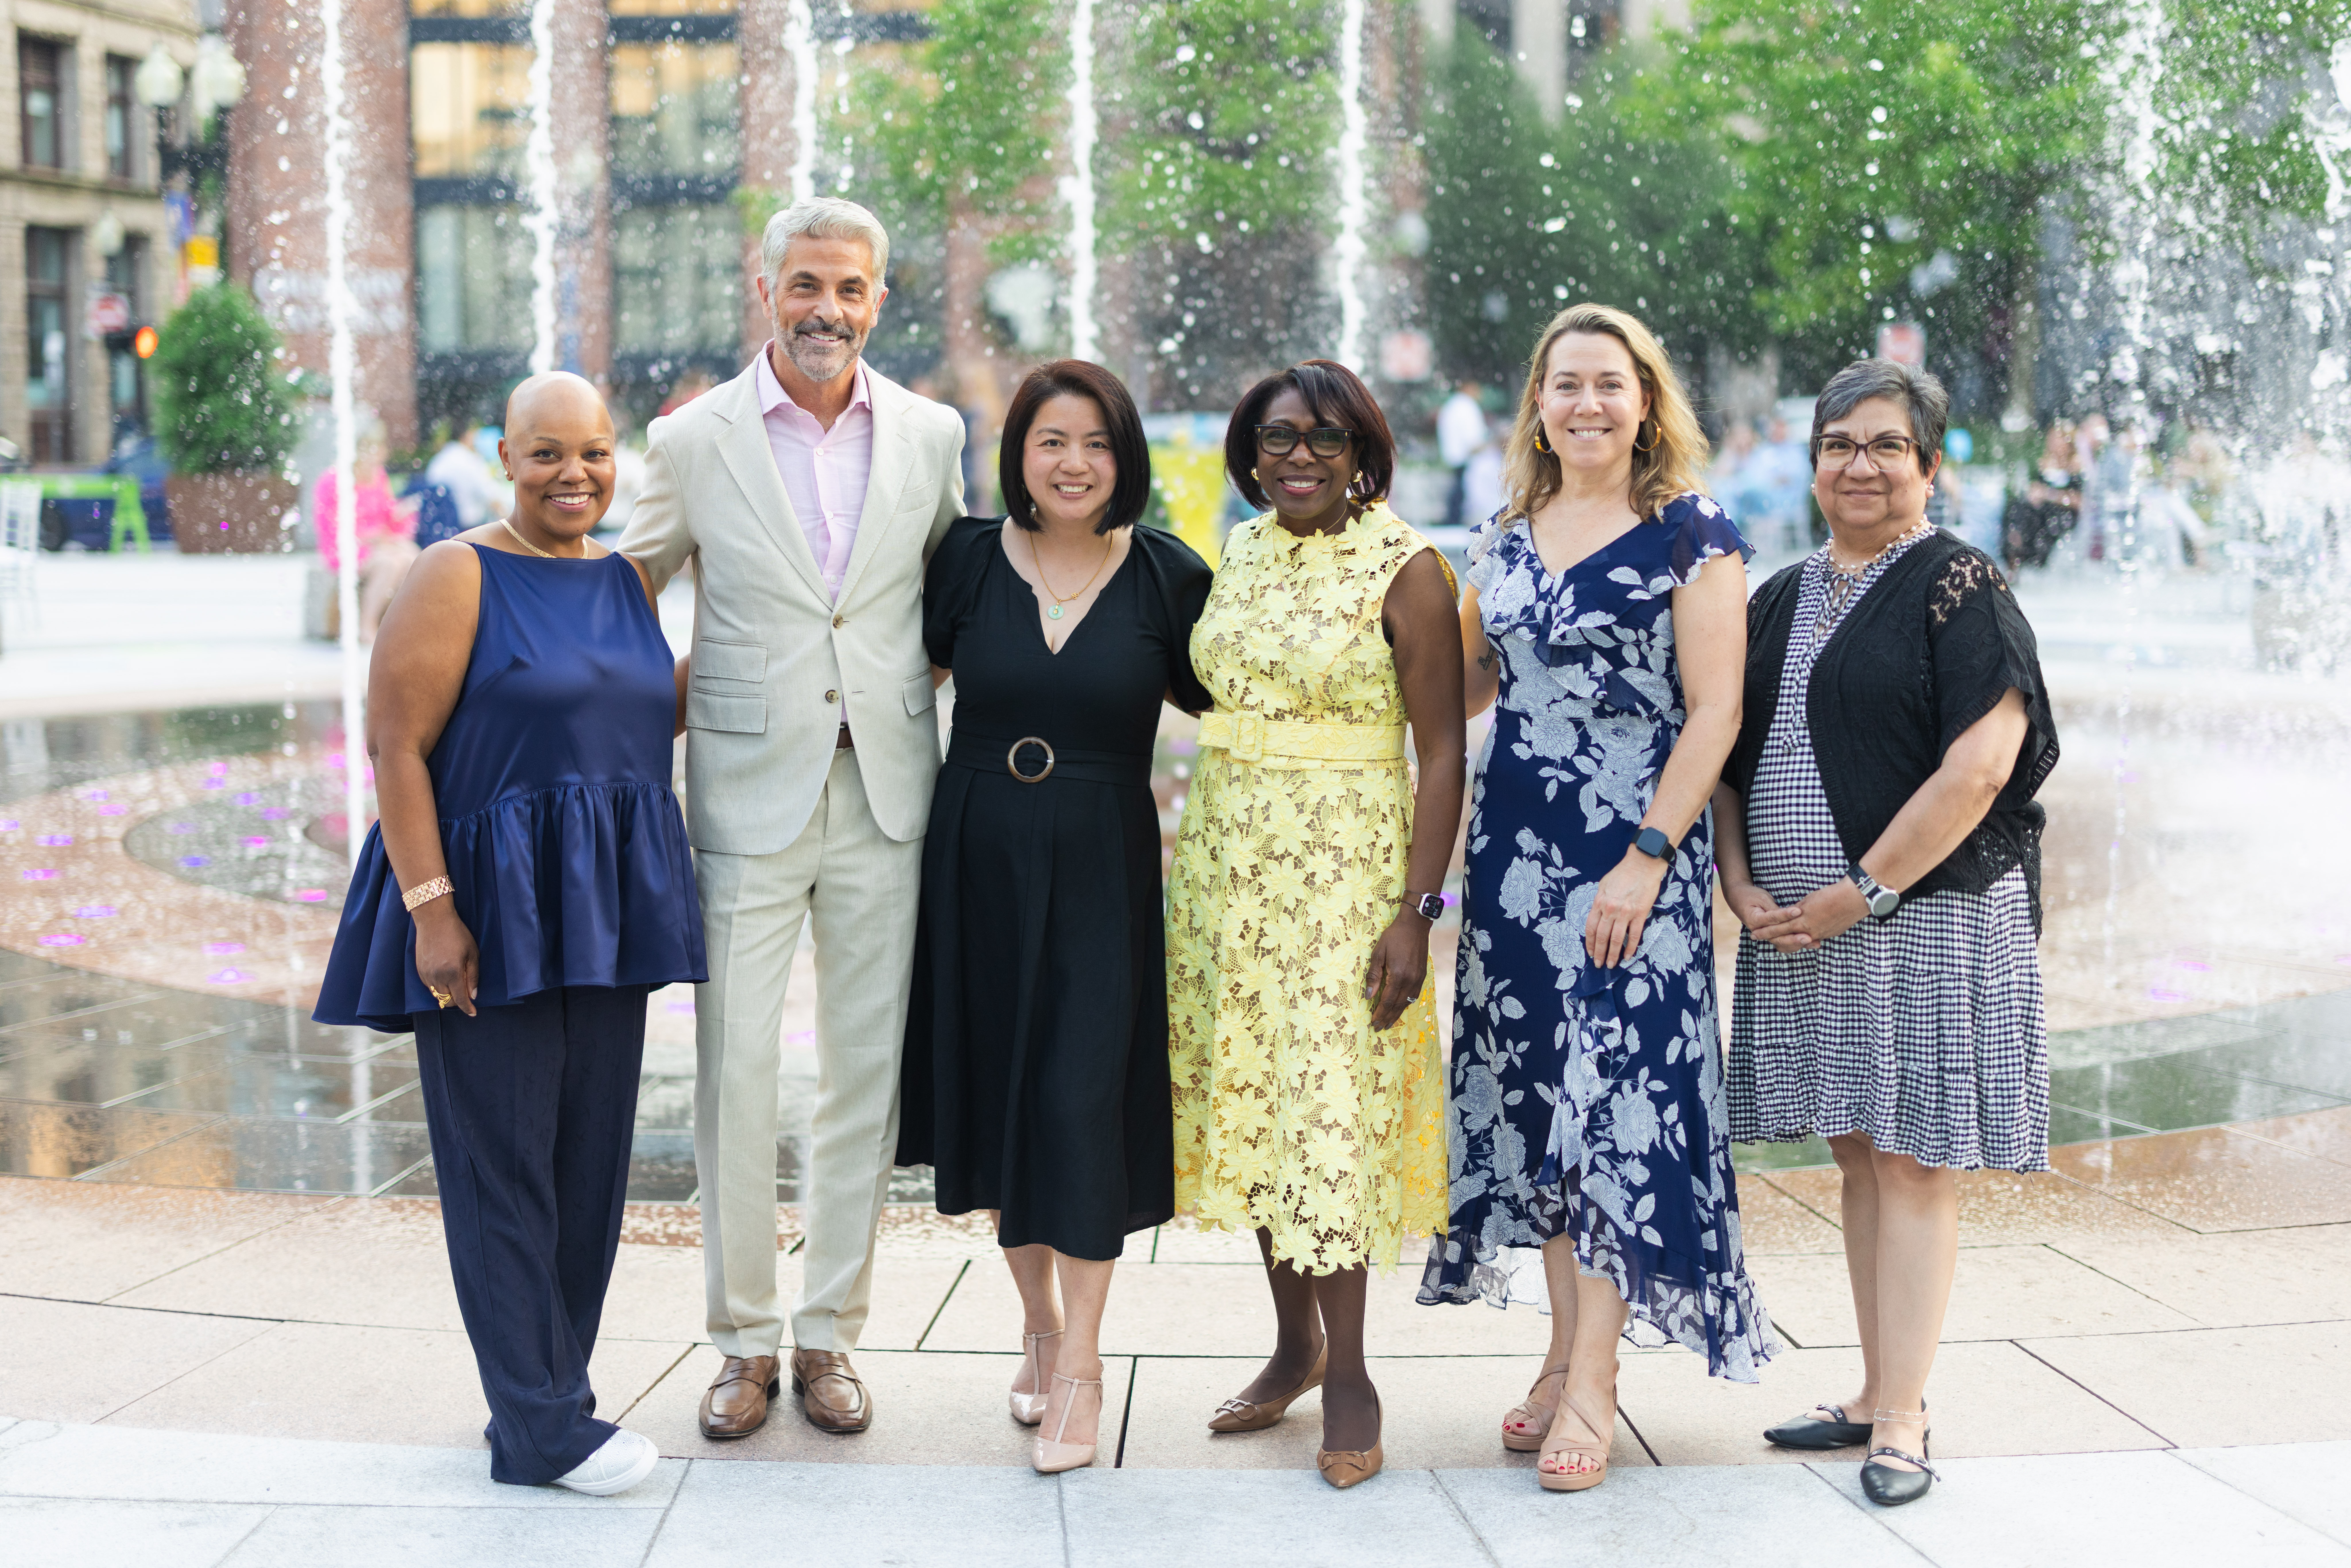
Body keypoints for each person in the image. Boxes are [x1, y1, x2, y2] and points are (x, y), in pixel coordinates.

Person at [313, 372, 705, 1496]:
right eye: (545, 454)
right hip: (490, 903)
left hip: (606, 907)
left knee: (589, 1167)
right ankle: (537, 1427)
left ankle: (545, 1399)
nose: (573, 474)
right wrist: (434, 912)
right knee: (503, 1166)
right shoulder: (456, 570)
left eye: (592, 453)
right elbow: (396, 746)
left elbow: (632, 704)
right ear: (504, 454)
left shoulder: (627, 579)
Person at [618, 196, 966, 1440]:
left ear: (881, 298)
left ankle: (827, 1337)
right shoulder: (692, 439)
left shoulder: (933, 435)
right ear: (766, 290)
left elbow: (946, 598)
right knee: (736, 1074)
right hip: (745, 796)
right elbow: (626, 593)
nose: (828, 309)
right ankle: (739, 1341)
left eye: (851, 289)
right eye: (806, 285)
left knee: (862, 1076)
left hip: (886, 792)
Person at [1417, 304, 1775, 1494]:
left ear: (1643, 401)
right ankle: (1562, 1348)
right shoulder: (1506, 531)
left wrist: (1644, 856)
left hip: (1631, 861)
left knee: (1615, 1104)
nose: (1584, 405)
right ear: (1536, 401)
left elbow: (1714, 711)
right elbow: (1467, 686)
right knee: (1539, 1113)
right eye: (1563, 384)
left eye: (1606, 385)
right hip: (1513, 860)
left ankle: (1594, 1381)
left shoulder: (1689, 531)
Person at [1714, 359, 2059, 1508]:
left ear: (1927, 464)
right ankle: (1869, 1388)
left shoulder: (1958, 584)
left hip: (1924, 915)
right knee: (1856, 1146)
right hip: (1802, 928)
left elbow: (1981, 765)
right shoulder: (1775, 595)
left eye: (1884, 446)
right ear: (1809, 460)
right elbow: (1725, 755)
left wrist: (1863, 888)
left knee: (1910, 1156)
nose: (1858, 466)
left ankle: (1904, 1412)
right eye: (1837, 444)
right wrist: (1734, 878)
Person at [897, 361, 1213, 1473]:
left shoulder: (1168, 578)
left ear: (1121, 459)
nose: (1073, 464)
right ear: (1017, 455)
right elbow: (890, 686)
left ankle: (1079, 1363)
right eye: (1050, 442)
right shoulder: (968, 562)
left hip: (1099, 866)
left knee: (1078, 1103)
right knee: (998, 1106)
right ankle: (1035, 1319)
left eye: (1095, 444)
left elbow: (1253, 695)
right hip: (973, 856)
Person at [1166, 359, 1465, 1490]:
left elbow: (1442, 751)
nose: (1299, 456)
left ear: (1363, 453)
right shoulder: (1235, 551)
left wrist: (1414, 912)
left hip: (1346, 881)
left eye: (1325, 438)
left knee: (1326, 1114)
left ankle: (1350, 1370)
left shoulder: (1409, 567)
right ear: (1250, 454)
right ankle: (1291, 1345)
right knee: (1257, 1105)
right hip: (1228, 875)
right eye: (1279, 438)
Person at [313, 421, 422, 641]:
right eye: (372, 449)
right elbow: (331, 527)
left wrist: (401, 513)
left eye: (381, 450)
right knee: (388, 564)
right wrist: (369, 537)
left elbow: (386, 513)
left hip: (378, 542)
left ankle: (396, 622)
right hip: (347, 547)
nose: (379, 456)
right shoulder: (333, 481)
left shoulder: (379, 476)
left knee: (413, 556)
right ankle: (367, 625)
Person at [2002, 421, 2080, 573]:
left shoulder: (2076, 468)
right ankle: (2014, 546)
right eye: (2052, 439)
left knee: (2040, 517)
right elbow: (2033, 488)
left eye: (2058, 440)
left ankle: (2018, 551)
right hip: (2038, 513)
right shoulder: (2043, 466)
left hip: (2061, 515)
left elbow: (2079, 501)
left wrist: (2048, 494)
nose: (2054, 444)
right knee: (2018, 507)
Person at [426, 420, 506, 534]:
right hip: (471, 531)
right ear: (467, 435)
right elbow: (493, 500)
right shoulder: (471, 461)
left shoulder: (436, 462)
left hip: (441, 531)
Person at [1438, 378, 1488, 528]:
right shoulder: (1467, 406)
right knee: (1461, 494)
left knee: (1456, 493)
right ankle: (1455, 522)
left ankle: (1452, 520)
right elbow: (1474, 439)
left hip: (1454, 457)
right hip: (1466, 458)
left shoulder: (1453, 404)